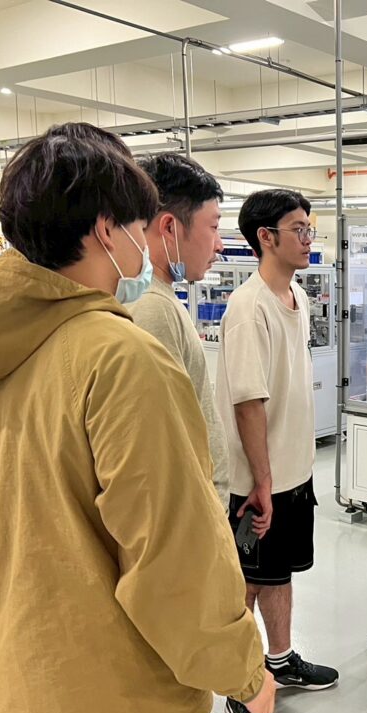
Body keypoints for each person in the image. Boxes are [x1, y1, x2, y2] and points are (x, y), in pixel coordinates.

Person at [0, 123, 274, 713]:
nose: (146, 245)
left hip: (21, 690)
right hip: (125, 709)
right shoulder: (120, 356)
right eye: (141, 228)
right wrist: (244, 673)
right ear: (107, 231)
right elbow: (172, 557)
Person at [215, 188, 338, 713]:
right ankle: (240, 687)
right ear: (266, 237)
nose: (309, 238)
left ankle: (281, 660)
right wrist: (262, 482)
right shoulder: (249, 308)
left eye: (310, 228)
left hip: (292, 474)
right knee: (243, 584)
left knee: (278, 573)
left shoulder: (297, 297)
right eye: (299, 229)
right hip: (254, 484)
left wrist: (288, 474)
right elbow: (249, 402)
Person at [130, 153, 229, 507]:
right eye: (213, 227)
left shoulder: (161, 298)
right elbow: (164, 444)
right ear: (170, 228)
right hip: (191, 512)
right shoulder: (152, 308)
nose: (219, 244)